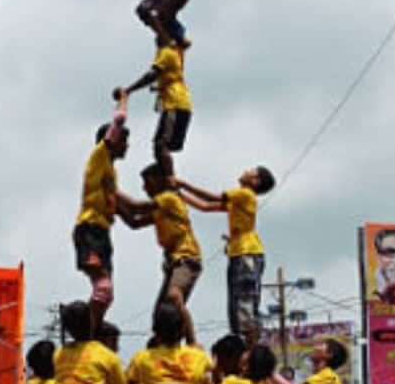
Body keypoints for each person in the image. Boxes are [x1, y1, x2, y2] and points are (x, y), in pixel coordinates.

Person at [173, 166, 276, 342]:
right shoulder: (241, 198)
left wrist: (183, 184)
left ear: (255, 181)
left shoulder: (245, 194)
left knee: (245, 305)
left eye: (251, 171)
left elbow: (211, 198)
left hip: (247, 254)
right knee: (239, 305)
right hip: (240, 254)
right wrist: (179, 194)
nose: (246, 170)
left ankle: (252, 350)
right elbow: (205, 207)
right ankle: (248, 348)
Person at [73, 90, 137, 329]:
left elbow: (128, 208)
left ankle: (90, 332)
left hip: (101, 233)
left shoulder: (109, 172)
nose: (127, 145)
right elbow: (118, 121)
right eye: (125, 140)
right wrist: (124, 97)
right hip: (90, 229)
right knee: (103, 288)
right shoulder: (100, 156)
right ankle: (85, 334)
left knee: (106, 294)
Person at [123, 163, 203, 345]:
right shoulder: (160, 208)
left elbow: (136, 207)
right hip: (174, 261)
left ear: (158, 181)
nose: (144, 188)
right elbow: (134, 222)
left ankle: (192, 343)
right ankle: (168, 347)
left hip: (187, 258)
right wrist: (115, 207)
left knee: (174, 296)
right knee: (160, 314)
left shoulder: (168, 198)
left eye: (147, 183)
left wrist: (111, 190)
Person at [115, 40, 192, 178]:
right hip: (180, 103)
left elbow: (152, 75)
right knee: (163, 146)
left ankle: (170, 180)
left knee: (160, 145)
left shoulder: (166, 52)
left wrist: (129, 90)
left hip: (174, 103)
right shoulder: (175, 51)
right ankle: (166, 178)